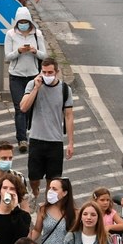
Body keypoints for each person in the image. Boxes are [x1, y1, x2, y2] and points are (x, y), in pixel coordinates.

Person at [17, 59, 73, 200]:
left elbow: (69, 116)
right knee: (34, 178)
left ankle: (49, 204)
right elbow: (23, 107)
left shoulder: (65, 90)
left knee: (53, 181)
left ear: (57, 72)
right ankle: (35, 193)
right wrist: (36, 88)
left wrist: (70, 142)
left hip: (55, 141)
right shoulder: (32, 84)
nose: (47, 75)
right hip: (36, 140)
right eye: (44, 72)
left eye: (50, 72)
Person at [3, 7, 45, 152]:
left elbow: (44, 55)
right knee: (20, 108)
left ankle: (32, 133)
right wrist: (19, 51)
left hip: (33, 76)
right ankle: (22, 138)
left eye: (25, 22)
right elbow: (8, 56)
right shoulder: (10, 35)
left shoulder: (37, 34)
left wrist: (35, 51)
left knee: (31, 107)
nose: (23, 24)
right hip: (16, 76)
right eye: (20, 22)